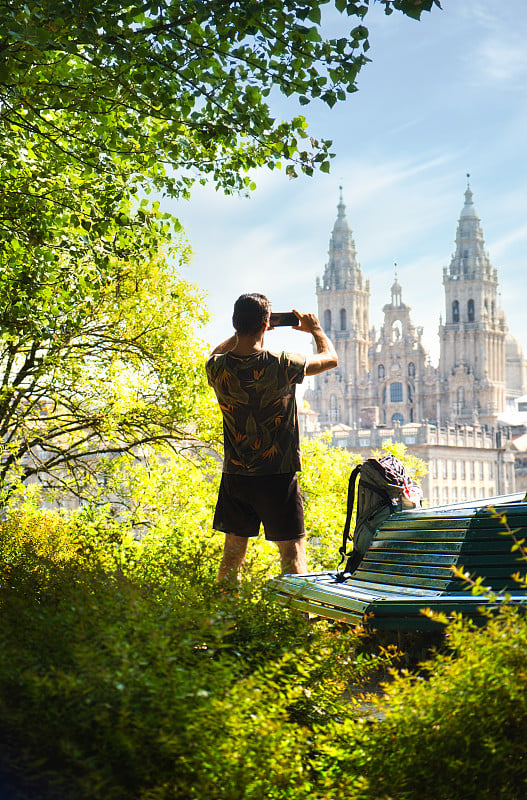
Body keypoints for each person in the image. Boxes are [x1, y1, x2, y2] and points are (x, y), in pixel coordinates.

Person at [206, 293, 338, 584]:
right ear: (266, 324)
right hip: (277, 475)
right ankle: (296, 625)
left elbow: (216, 352)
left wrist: (246, 329)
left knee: (232, 556)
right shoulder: (282, 364)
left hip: (236, 474)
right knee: (291, 555)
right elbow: (330, 359)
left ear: (235, 323)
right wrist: (315, 329)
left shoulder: (217, 368)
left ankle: (222, 625)